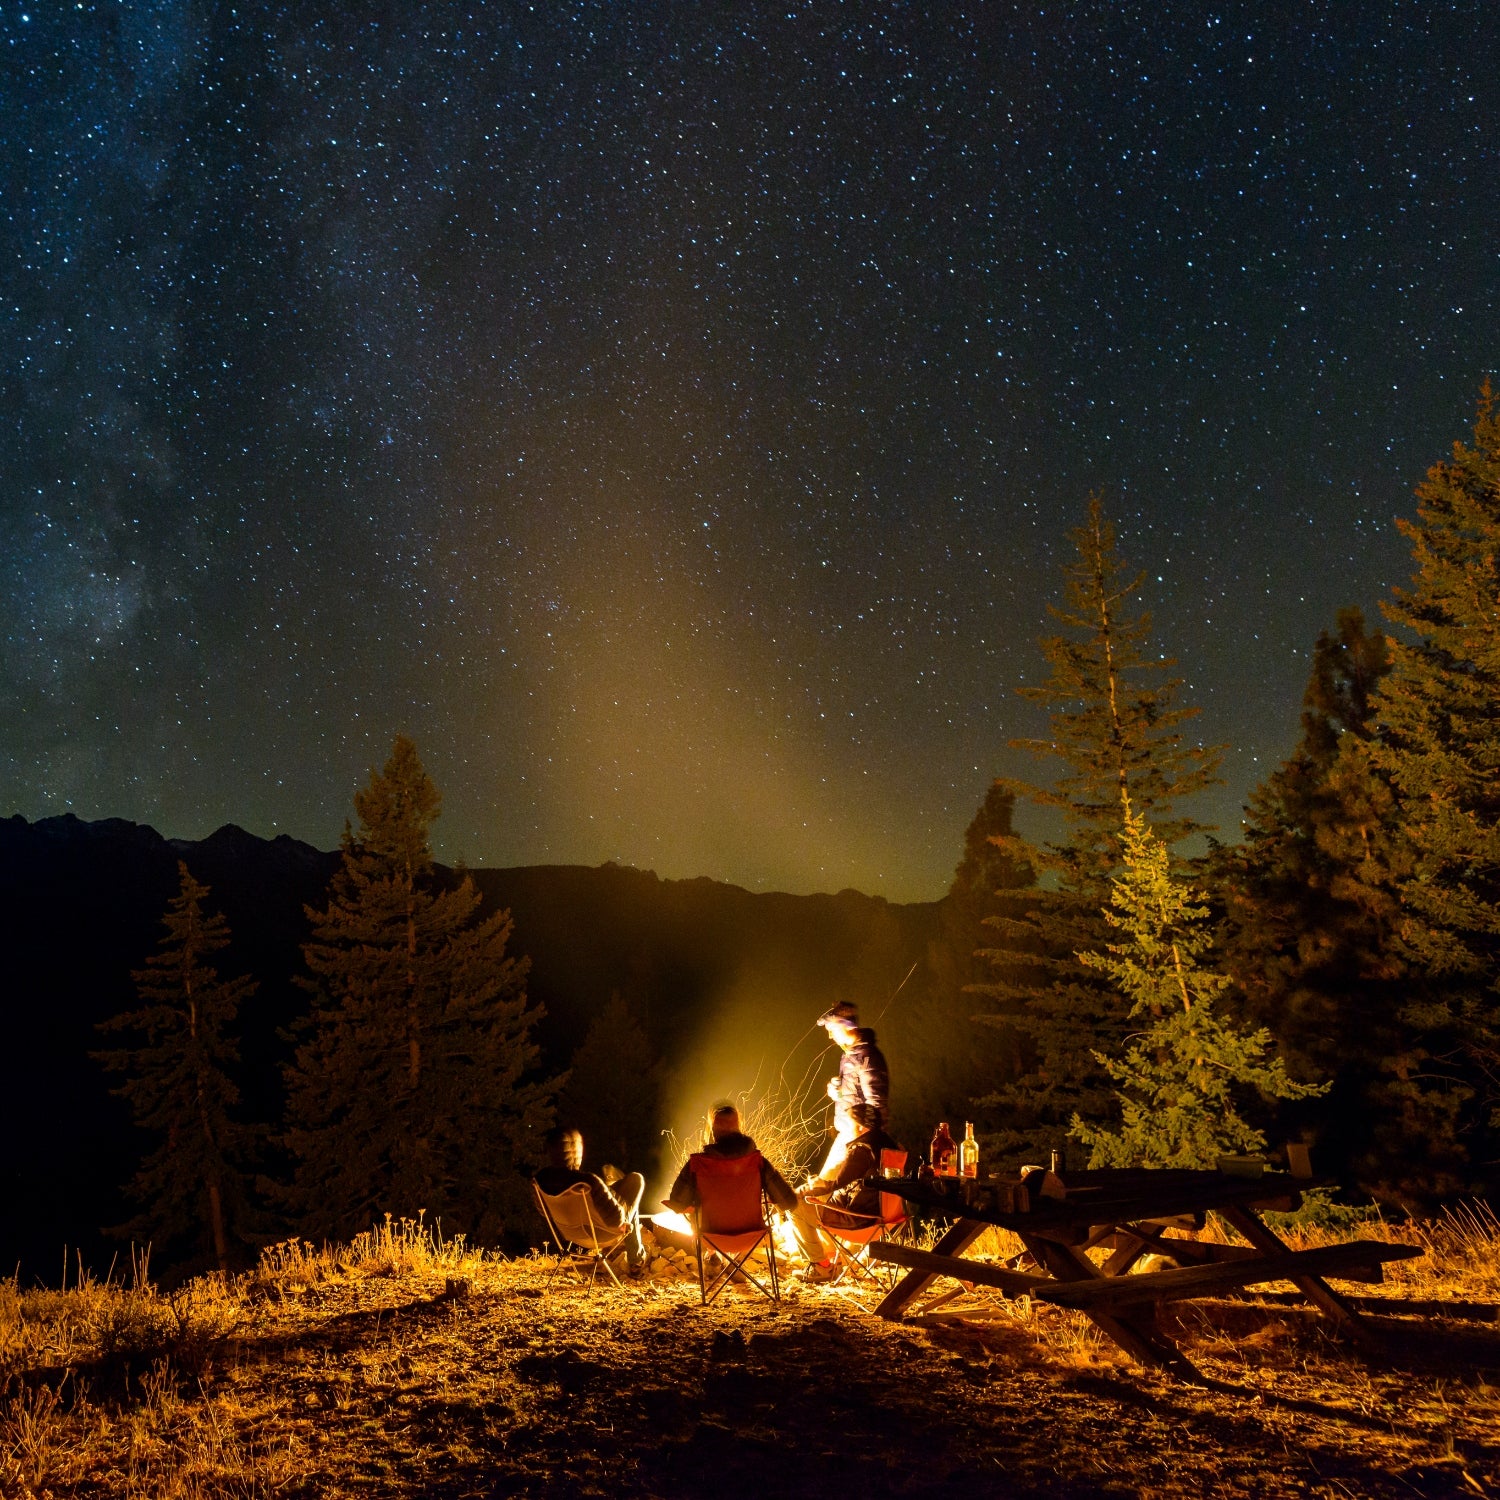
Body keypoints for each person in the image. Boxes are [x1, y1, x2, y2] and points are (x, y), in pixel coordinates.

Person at [789, 1100, 901, 1277]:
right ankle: (831, 1260)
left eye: (848, 1124)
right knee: (810, 1193)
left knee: (795, 1205)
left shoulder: (861, 1149)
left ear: (861, 1127)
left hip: (858, 1219)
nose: (845, 1130)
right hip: (887, 1218)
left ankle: (821, 1266)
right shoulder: (891, 1146)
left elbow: (835, 1184)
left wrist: (811, 1188)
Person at [534, 1126, 649, 1271]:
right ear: (576, 1152)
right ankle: (637, 1259)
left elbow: (545, 1212)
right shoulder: (588, 1183)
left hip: (570, 1233)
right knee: (635, 1180)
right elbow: (616, 1220)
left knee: (618, 1190)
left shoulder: (541, 1180)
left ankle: (636, 1258)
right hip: (602, 1233)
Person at [665, 1104, 798, 1219]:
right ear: (738, 1128)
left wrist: (696, 1202)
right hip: (752, 1235)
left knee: (695, 1209)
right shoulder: (757, 1161)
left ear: (713, 1131)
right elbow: (789, 1203)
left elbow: (677, 1203)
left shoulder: (698, 1163)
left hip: (710, 1236)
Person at [815, 1000, 890, 1180]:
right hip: (848, 1133)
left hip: (858, 1137)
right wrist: (837, 1093)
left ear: (845, 1026)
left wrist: (865, 1140)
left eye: (832, 1030)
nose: (830, 1037)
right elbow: (855, 1094)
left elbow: (876, 1103)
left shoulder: (868, 1057)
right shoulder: (849, 1055)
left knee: (825, 1186)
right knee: (828, 1187)